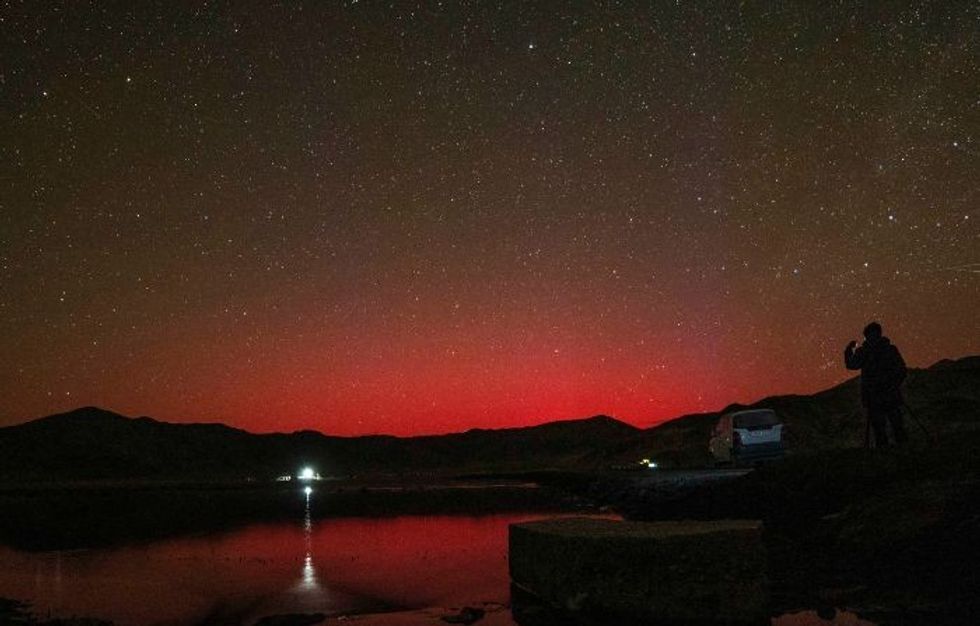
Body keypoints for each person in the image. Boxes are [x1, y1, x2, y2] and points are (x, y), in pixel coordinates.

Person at [844, 322, 908, 448]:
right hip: (884, 395)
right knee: (889, 427)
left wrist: (848, 351)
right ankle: (902, 453)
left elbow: (851, 364)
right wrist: (893, 384)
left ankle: (892, 454)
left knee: (888, 426)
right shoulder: (886, 350)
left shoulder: (868, 351)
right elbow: (901, 370)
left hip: (880, 396)